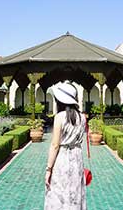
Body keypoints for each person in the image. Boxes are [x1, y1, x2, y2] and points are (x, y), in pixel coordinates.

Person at [44, 82, 87, 210]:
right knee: (75, 192)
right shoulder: (83, 117)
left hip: (62, 158)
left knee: (59, 192)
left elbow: (55, 145)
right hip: (77, 157)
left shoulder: (60, 117)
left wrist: (48, 169)